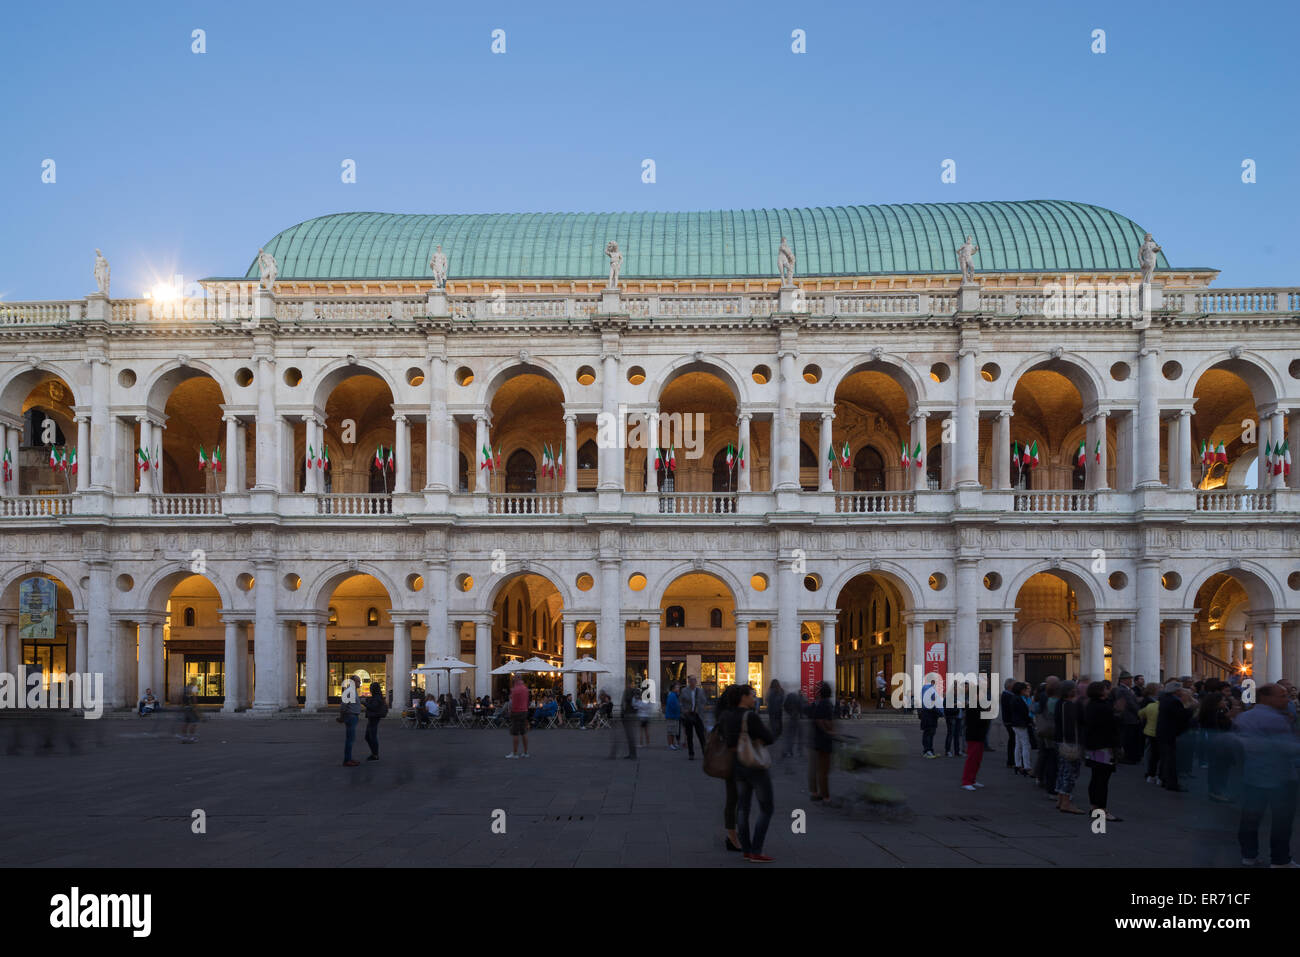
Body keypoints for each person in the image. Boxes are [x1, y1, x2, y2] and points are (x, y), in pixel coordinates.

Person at [1233, 683, 1300, 867]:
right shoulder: (1275, 720)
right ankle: (1279, 859)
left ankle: (1249, 855)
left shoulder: (1244, 717)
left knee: (1250, 818)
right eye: (1282, 695)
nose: (1287, 699)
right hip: (1280, 777)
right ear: (1267, 698)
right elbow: (1287, 748)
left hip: (1252, 775)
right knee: (1281, 821)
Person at [726, 684, 777, 862]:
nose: (754, 698)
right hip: (754, 766)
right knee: (767, 807)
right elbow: (769, 737)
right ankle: (756, 849)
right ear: (743, 697)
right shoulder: (750, 716)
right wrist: (758, 738)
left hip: (737, 765)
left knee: (743, 808)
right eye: (752, 695)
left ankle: (746, 849)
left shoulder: (728, 715)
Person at [1082, 680, 1121, 822]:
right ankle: (1101, 809)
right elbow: (1111, 726)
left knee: (1095, 777)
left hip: (1093, 746)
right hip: (1104, 746)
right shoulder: (1104, 707)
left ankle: (1094, 806)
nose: (1108, 690)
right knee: (1103, 779)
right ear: (1101, 691)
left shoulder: (1090, 705)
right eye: (1105, 688)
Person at [715, 685, 744, 853]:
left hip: (732, 763)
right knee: (735, 800)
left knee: (734, 800)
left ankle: (734, 835)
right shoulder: (729, 717)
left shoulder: (724, 715)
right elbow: (732, 742)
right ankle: (733, 836)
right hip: (735, 763)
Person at [1053, 680, 1086, 814]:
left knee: (1062, 771)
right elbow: (1072, 726)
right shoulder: (1069, 705)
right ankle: (1066, 802)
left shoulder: (1059, 704)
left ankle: (1060, 799)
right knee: (1070, 773)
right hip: (1070, 742)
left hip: (1061, 741)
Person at [1156, 680, 1194, 791]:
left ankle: (1163, 779)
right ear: (1176, 691)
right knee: (1170, 759)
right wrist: (1190, 708)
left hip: (1163, 732)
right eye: (1180, 690)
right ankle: (1171, 783)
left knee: (1165, 758)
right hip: (1169, 733)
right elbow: (1181, 716)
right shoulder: (1174, 701)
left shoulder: (1164, 699)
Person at [808, 681, 835, 801]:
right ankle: (825, 796)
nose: (814, 692)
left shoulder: (819, 704)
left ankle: (818, 793)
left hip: (818, 740)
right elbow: (822, 720)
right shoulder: (826, 704)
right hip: (824, 741)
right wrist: (829, 731)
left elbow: (818, 719)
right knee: (824, 770)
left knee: (820, 769)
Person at [1114, 671, 1144, 764]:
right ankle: (1128, 757)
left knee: (1130, 738)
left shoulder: (1126, 689)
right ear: (1124, 680)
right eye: (1129, 679)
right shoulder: (1122, 690)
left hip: (1130, 717)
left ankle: (1130, 756)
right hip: (1128, 718)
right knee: (1128, 739)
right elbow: (1130, 704)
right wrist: (1139, 712)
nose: (1131, 680)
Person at [960, 700, 989, 790]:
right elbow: (976, 720)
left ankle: (972, 779)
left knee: (977, 760)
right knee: (972, 759)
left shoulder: (979, 705)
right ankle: (966, 781)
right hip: (974, 735)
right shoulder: (972, 706)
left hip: (980, 735)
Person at [678, 675, 707, 760]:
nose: (692, 682)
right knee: (689, 735)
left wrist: (700, 708)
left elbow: (704, 701)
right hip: (688, 715)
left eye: (694, 680)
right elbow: (680, 702)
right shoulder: (684, 691)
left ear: (696, 682)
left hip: (698, 715)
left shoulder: (700, 691)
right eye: (691, 681)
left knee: (701, 735)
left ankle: (705, 752)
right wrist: (684, 711)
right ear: (688, 682)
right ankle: (691, 753)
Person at [1008, 681, 1032, 774]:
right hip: (1021, 724)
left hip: (1016, 723)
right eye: (1024, 689)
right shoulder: (1018, 699)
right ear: (1021, 690)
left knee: (1018, 744)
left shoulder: (1014, 698)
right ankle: (1027, 766)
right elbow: (1024, 712)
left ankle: (1018, 764)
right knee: (1025, 744)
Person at [339, 674, 362, 766]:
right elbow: (343, 706)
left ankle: (349, 758)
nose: (360, 683)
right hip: (350, 717)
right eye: (358, 681)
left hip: (353, 716)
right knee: (350, 740)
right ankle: (347, 760)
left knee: (351, 739)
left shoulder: (353, 691)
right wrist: (342, 717)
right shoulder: (349, 691)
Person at [505, 676, 530, 758]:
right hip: (524, 711)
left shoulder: (514, 690)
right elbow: (527, 701)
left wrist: (511, 712)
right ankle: (526, 752)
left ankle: (515, 753)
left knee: (515, 733)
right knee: (524, 732)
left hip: (516, 712)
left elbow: (513, 703)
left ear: (515, 680)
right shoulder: (525, 689)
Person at [1140, 689, 1161, 783]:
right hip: (1160, 733)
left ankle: (1150, 774)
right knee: (1160, 756)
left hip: (1149, 732)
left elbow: (1140, 713)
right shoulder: (1162, 706)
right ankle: (1158, 776)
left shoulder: (1151, 705)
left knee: (1152, 754)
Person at [363, 680, 388, 760]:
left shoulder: (377, 697)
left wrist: (364, 703)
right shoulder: (376, 696)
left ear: (374, 689)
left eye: (371, 688)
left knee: (372, 736)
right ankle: (374, 753)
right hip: (372, 718)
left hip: (374, 718)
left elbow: (373, 707)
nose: (370, 689)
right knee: (368, 736)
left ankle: (375, 754)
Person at [614, 679, 638, 759]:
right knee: (630, 735)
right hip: (631, 714)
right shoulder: (634, 691)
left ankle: (632, 754)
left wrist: (623, 713)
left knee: (630, 735)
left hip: (628, 714)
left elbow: (625, 702)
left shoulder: (629, 691)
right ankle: (631, 753)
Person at [918, 681, 940, 758]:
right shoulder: (928, 694)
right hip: (928, 718)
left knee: (930, 734)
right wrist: (939, 712)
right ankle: (927, 751)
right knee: (928, 734)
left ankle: (930, 750)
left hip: (931, 718)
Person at [782, 687, 805, 758]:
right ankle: (799, 751)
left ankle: (789, 750)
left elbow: (785, 706)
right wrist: (800, 714)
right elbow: (801, 707)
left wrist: (789, 713)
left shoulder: (789, 697)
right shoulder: (799, 698)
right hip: (796, 717)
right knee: (799, 735)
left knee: (790, 735)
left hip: (791, 717)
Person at [1000, 678, 1017, 767]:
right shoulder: (1008, 695)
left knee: (1013, 740)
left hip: (1009, 720)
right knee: (1013, 740)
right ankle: (1011, 760)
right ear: (1010, 686)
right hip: (1010, 721)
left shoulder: (1008, 695)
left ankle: (1012, 760)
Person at [664, 682, 681, 750]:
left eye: (678, 687)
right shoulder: (672, 695)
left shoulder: (674, 695)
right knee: (670, 731)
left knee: (673, 731)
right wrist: (679, 707)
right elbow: (672, 706)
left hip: (675, 716)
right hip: (671, 716)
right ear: (673, 688)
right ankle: (670, 744)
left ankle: (673, 744)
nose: (678, 688)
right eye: (677, 687)